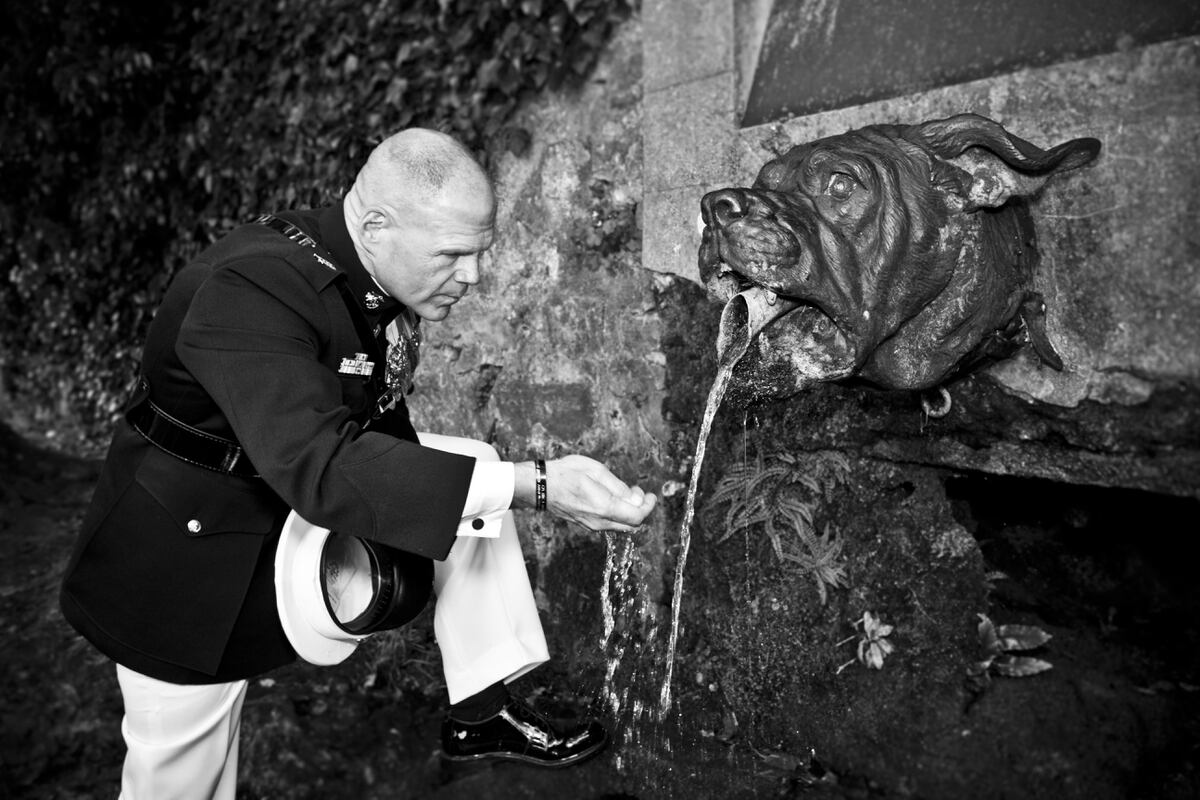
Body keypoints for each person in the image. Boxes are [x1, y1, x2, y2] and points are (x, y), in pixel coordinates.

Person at [59, 127, 658, 799]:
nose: (475, 278)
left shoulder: (371, 273)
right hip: (189, 546)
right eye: (453, 255)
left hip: (288, 496)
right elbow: (321, 463)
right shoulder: (248, 290)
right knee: (182, 772)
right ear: (376, 224)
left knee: (472, 471)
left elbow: (374, 413)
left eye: (479, 253)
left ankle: (480, 716)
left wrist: (491, 488)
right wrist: (536, 486)